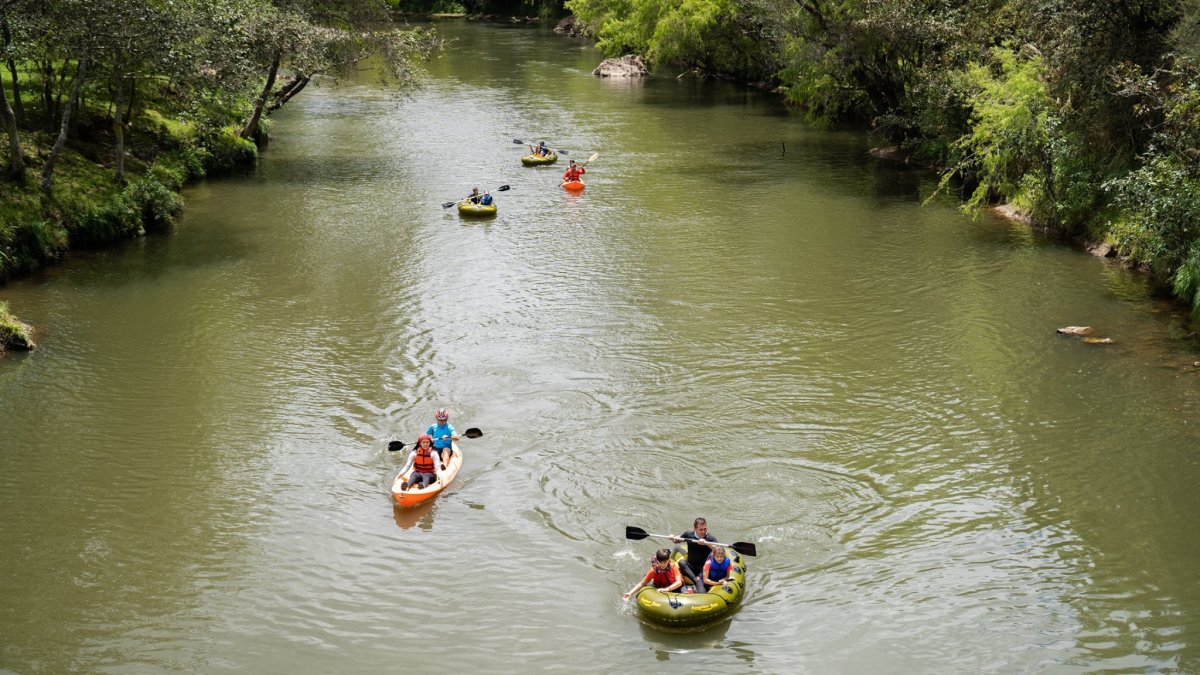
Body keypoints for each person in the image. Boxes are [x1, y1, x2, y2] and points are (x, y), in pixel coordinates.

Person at [671, 517, 717, 592]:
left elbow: (718, 549)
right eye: (701, 529)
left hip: (703, 569)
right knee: (681, 563)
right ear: (695, 529)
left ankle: (697, 583)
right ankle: (696, 581)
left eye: (705, 529)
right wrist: (672, 537)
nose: (703, 532)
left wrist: (707, 543)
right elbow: (677, 541)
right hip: (690, 566)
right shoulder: (689, 534)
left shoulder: (709, 538)